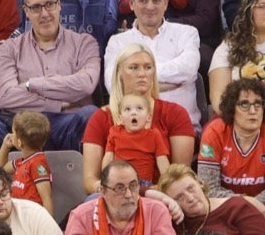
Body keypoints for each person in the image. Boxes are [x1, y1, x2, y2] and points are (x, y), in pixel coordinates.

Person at [0, 0, 101, 162]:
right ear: (26, 11)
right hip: (21, 124)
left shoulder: (85, 43)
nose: (44, 13)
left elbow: (85, 85)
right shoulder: (10, 48)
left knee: (90, 115)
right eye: (36, 7)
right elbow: (5, 97)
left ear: (59, 5)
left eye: (49, 4)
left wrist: (32, 84)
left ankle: (84, 184)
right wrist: (57, 103)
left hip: (68, 123)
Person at [83, 45, 199, 195]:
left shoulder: (176, 113)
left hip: (159, 194)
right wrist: (104, 186)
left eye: (148, 67)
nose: (142, 74)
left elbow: (180, 174)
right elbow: (89, 181)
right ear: (119, 74)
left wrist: (154, 190)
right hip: (113, 195)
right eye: (134, 68)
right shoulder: (101, 117)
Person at [198, 79, 265, 235]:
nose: (253, 110)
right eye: (244, 104)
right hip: (227, 204)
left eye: (258, 104)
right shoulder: (214, 133)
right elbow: (209, 188)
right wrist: (245, 203)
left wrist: (253, 204)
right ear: (231, 108)